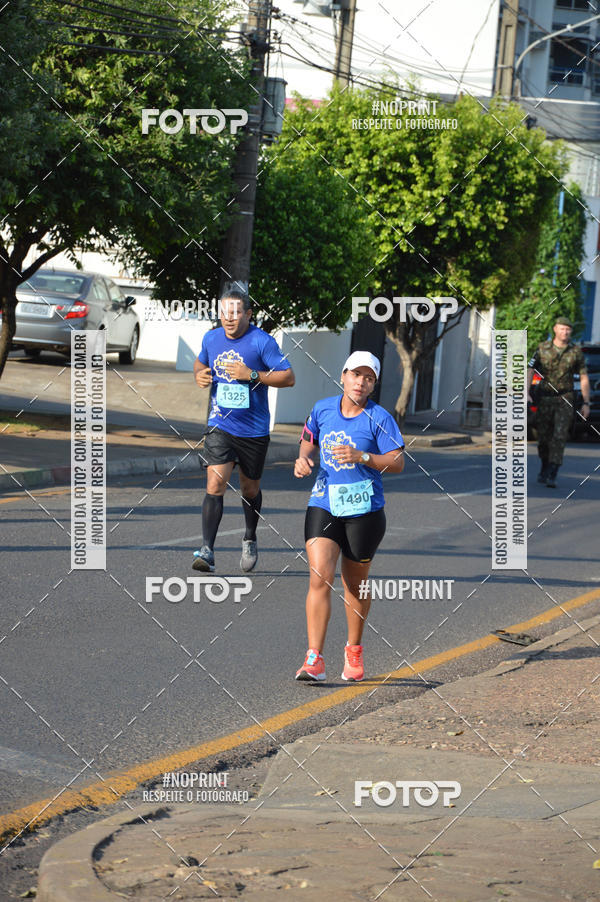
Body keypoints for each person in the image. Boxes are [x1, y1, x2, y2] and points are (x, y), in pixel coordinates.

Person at [293, 351, 405, 683]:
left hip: (364, 510)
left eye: (368, 377)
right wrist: (303, 460)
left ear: (374, 384)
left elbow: (397, 462)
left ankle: (353, 649)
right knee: (319, 577)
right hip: (324, 503)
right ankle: (314, 658)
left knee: (354, 585)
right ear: (343, 376)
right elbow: (308, 440)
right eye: (356, 375)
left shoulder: (380, 418)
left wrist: (363, 456)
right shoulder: (322, 408)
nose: (361, 382)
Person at [192, 290, 295, 572]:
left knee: (250, 489)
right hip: (220, 425)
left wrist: (251, 375)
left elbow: (288, 377)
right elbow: (200, 361)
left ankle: (249, 537)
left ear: (248, 314)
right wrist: (199, 373)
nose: (229, 318)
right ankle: (207, 551)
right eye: (224, 312)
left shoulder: (262, 342)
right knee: (215, 485)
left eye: (236, 312)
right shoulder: (211, 338)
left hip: (253, 430)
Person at [527, 315, 590, 488]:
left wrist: (586, 402)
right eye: (562, 328)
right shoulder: (542, 348)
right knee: (544, 437)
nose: (565, 332)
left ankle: (553, 472)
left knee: (560, 435)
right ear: (555, 329)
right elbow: (530, 369)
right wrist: (526, 392)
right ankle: (545, 465)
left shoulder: (575, 352)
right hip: (545, 397)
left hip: (565, 398)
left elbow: (584, 377)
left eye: (568, 329)